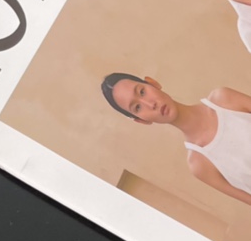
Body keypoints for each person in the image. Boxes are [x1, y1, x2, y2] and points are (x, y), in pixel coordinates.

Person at [101, 72, 251, 207]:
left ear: (153, 83)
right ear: (141, 121)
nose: (150, 104)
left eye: (142, 91)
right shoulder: (199, 164)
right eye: (137, 108)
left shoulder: (224, 99)